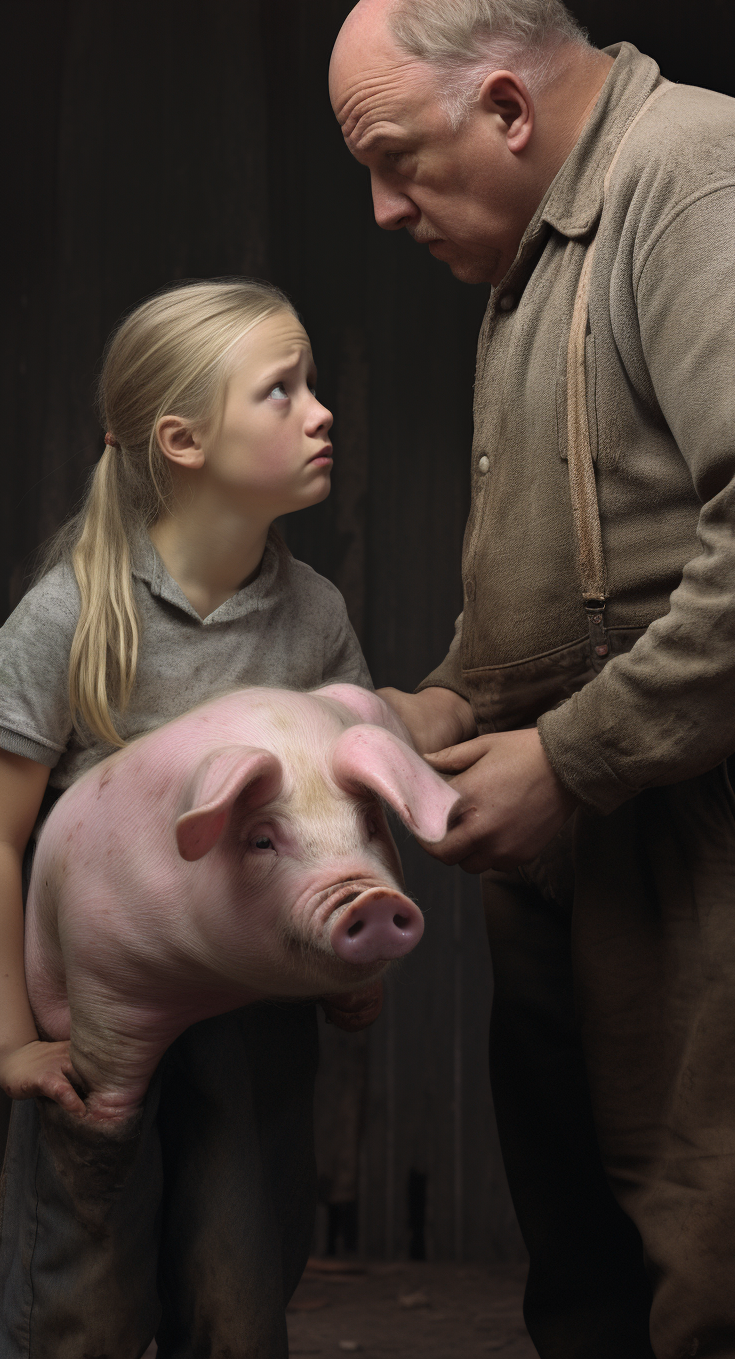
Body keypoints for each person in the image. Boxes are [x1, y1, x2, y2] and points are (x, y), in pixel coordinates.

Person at [329, 0, 735, 1359]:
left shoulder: (706, 186)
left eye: (398, 160)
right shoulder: (546, 252)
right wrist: (441, 704)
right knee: (588, 1275)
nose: (382, 207)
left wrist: (573, 758)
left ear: (504, 107)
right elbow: (575, 576)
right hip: (586, 849)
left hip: (734, 856)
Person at [0, 279, 373, 1358]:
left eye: (310, 384)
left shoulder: (316, 620)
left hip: (253, 1014)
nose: (320, 410)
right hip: (94, 1024)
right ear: (183, 439)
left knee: (240, 1292)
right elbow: (6, 834)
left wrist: (354, 966)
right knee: (84, 1291)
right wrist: (15, 1041)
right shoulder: (71, 616)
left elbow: (343, 806)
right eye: (281, 390)